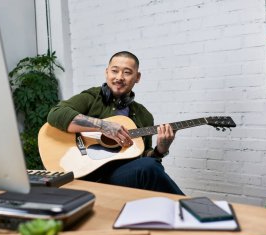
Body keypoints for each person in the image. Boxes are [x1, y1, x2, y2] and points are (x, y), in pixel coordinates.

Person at [47, 51, 184, 195]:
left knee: (150, 166)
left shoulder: (144, 115)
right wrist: (103, 126)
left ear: (137, 77)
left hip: (117, 176)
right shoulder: (92, 97)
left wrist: (160, 150)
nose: (119, 77)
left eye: (127, 72)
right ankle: (191, 209)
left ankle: (184, 210)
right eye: (114, 71)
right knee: (150, 167)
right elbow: (56, 113)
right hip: (84, 173)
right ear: (107, 73)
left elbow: (144, 158)